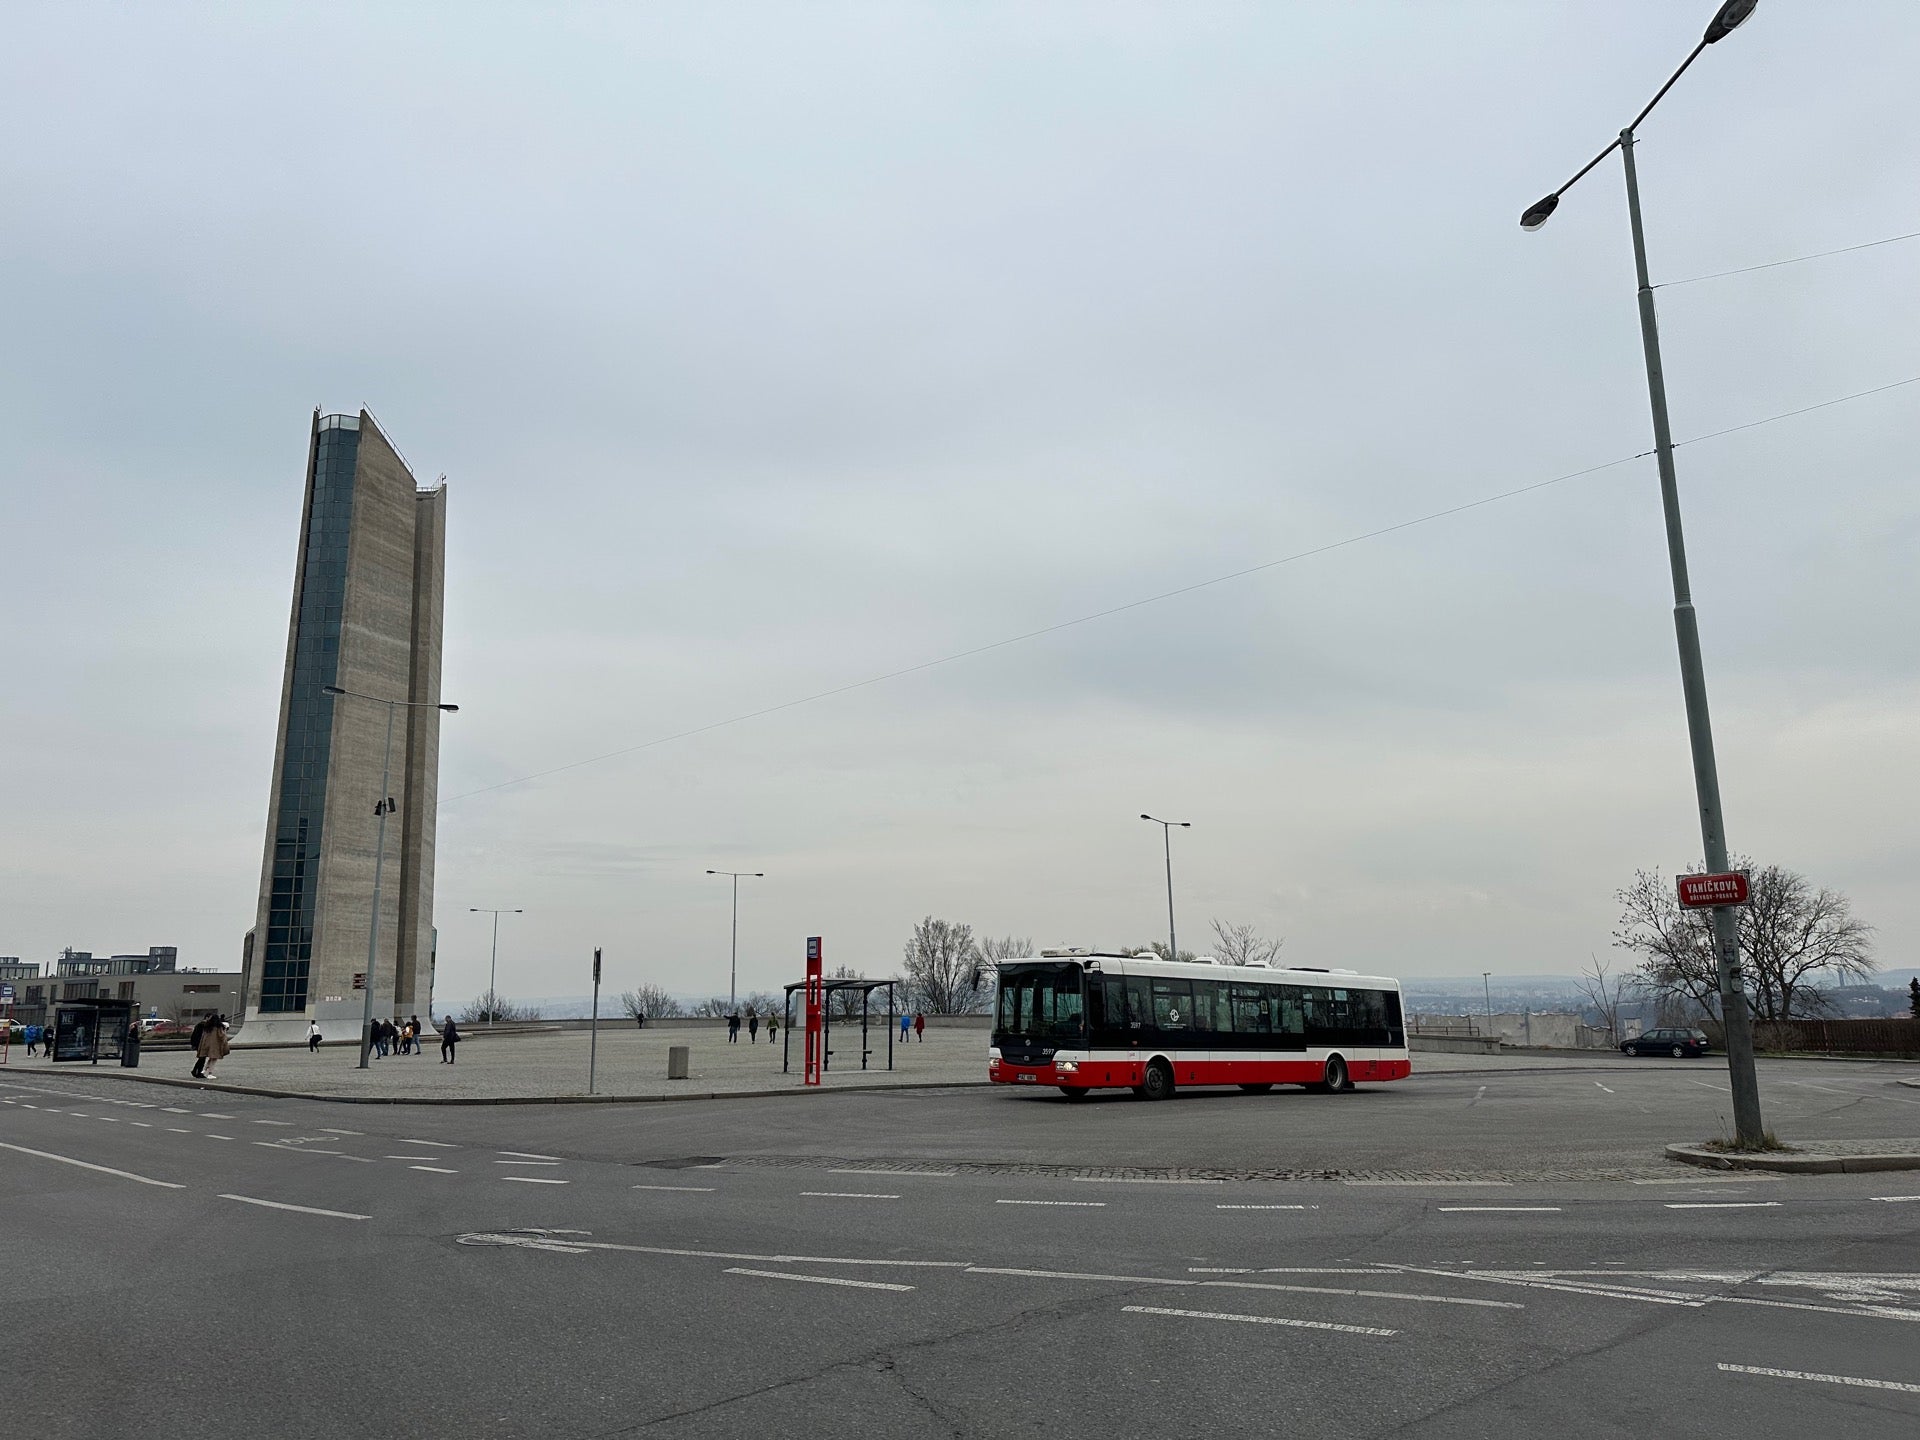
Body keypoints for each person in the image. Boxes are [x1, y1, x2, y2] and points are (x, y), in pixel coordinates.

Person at [200, 1013, 230, 1081]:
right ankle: (210, 1073)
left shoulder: (207, 1027)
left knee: (211, 1058)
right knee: (214, 1059)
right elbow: (222, 1036)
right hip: (215, 1046)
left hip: (208, 1045)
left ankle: (204, 1070)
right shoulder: (218, 1028)